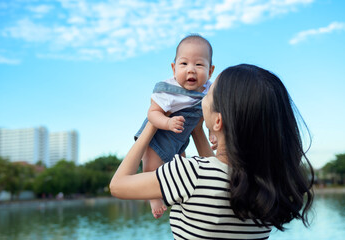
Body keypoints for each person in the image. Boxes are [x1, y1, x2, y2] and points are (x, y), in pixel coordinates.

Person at [110, 64, 314, 239]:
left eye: (210, 92)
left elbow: (118, 186)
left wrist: (152, 123)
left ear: (218, 120)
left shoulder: (190, 173)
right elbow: (216, 172)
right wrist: (197, 130)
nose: (203, 92)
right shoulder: (266, 188)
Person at [134, 34, 215, 218]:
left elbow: (212, 111)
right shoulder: (168, 90)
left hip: (180, 139)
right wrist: (167, 122)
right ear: (174, 68)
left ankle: (176, 194)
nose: (191, 70)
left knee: (179, 168)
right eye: (184, 64)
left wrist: (212, 132)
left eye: (199, 65)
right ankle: (154, 197)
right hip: (160, 135)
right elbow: (152, 113)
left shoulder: (209, 91)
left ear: (210, 71)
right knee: (152, 166)